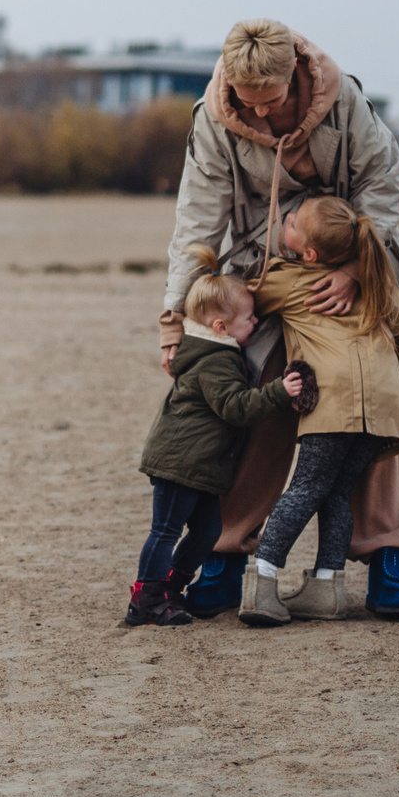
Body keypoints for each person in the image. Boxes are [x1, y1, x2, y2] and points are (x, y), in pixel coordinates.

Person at [159, 18, 399, 621]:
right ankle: (227, 552)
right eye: (247, 103)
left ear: (296, 77)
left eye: (272, 101)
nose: (259, 115)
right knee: (256, 394)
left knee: (370, 399)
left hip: (350, 262)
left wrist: (357, 269)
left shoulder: (346, 101)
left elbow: (381, 185)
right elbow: (197, 220)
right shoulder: (213, 118)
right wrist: (174, 319)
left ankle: (389, 554)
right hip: (260, 271)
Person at [236, 197, 399, 626]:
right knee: (336, 491)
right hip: (383, 406)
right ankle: (326, 587)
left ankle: (262, 581)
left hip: (335, 402)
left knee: (306, 486)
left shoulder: (292, 280)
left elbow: (247, 296)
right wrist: (396, 370)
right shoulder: (375, 280)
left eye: (293, 223)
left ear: (310, 255)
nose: (286, 218)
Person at [128, 246, 306, 627]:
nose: (256, 322)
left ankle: (171, 586)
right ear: (221, 327)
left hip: (201, 467)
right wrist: (279, 391)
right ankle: (146, 598)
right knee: (165, 530)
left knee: (209, 530)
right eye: (249, 318)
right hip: (180, 463)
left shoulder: (219, 353)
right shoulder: (216, 360)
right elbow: (235, 407)